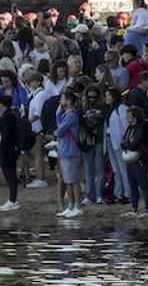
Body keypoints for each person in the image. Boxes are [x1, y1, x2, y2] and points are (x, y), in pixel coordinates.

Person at [54, 90, 83, 218]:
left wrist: (55, 131)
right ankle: (70, 205)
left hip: (71, 151)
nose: (61, 101)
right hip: (65, 150)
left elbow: (59, 131)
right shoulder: (66, 114)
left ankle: (77, 206)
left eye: (63, 99)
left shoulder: (71, 115)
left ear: (69, 101)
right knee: (68, 180)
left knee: (73, 180)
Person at [0, 93, 22, 211]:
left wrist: (0, 148)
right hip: (7, 148)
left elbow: (6, 136)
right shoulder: (6, 116)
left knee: (10, 175)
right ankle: (12, 199)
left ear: (2, 105)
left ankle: (13, 200)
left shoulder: (7, 117)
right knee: (9, 175)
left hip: (8, 150)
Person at [121, 105, 148, 217]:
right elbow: (124, 141)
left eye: (129, 117)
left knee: (143, 184)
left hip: (140, 159)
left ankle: (147, 208)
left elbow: (135, 144)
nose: (127, 119)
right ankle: (134, 207)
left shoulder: (141, 128)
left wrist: (127, 145)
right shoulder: (130, 128)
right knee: (132, 184)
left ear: (135, 117)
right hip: (130, 159)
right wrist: (126, 145)